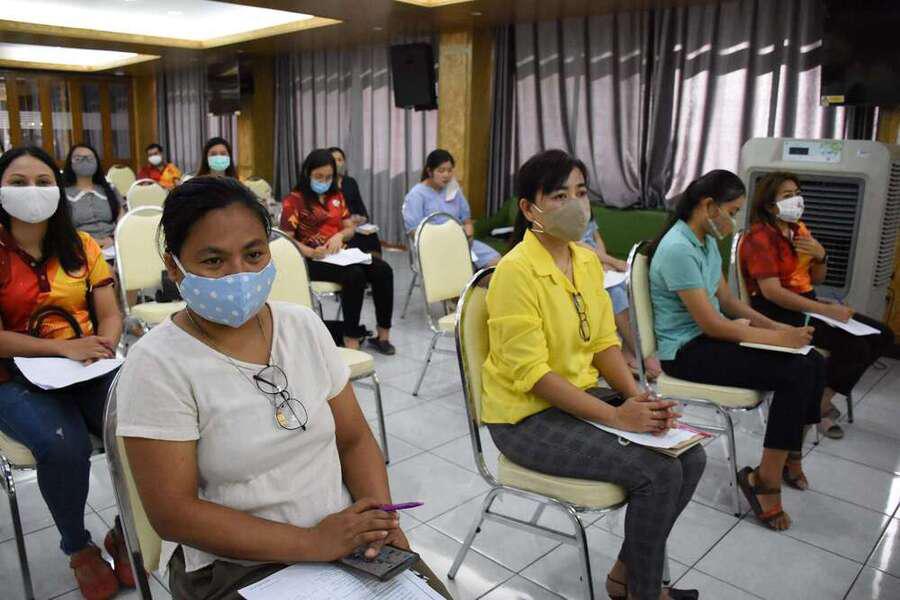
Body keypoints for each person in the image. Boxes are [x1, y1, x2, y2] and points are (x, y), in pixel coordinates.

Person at [115, 176, 449, 599]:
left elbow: (354, 439)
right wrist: (313, 543)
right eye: (214, 261)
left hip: (342, 535)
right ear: (173, 266)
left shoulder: (302, 325)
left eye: (254, 254)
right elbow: (174, 514)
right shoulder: (158, 364)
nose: (240, 274)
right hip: (237, 564)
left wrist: (379, 519)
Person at [482, 149, 703, 600]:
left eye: (581, 192)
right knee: (657, 474)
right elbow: (534, 375)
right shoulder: (515, 272)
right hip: (524, 417)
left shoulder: (584, 260)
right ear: (529, 208)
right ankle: (644, 593)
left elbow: (603, 342)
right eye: (559, 195)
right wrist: (617, 416)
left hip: (579, 397)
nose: (576, 205)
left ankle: (625, 576)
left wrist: (635, 397)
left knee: (690, 457)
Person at [649, 169, 826, 532]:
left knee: (813, 361)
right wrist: (778, 340)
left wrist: (777, 328)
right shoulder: (678, 248)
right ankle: (764, 480)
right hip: (685, 352)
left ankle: (789, 453)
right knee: (795, 371)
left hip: (708, 340)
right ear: (708, 206)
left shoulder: (705, 242)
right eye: (731, 212)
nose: (733, 221)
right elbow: (712, 325)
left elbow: (728, 302)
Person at [0, 146, 129, 600]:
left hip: (86, 364)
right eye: (18, 183)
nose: (32, 191)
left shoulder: (82, 246)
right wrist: (62, 347)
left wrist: (105, 345)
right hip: (12, 376)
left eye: (42, 182)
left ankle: (125, 530)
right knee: (63, 445)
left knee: (141, 423)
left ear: (57, 189)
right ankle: (78, 547)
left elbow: (109, 315)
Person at [740, 171, 894, 439]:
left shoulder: (797, 230)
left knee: (883, 335)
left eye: (798, 194)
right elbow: (772, 292)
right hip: (777, 312)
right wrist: (825, 310)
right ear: (770, 205)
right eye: (788, 196)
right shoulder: (760, 238)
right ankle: (817, 409)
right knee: (855, 347)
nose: (797, 200)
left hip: (806, 303)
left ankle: (820, 400)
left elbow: (816, 279)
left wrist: (821, 255)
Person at [280, 149, 395, 354]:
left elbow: (349, 228)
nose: (324, 181)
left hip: (339, 255)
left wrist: (340, 236)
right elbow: (286, 238)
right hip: (312, 260)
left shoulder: (337, 196)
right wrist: (311, 252)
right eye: (319, 176)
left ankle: (383, 335)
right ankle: (351, 338)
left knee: (383, 270)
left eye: (328, 177)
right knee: (355, 275)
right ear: (307, 173)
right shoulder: (294, 201)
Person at [580, 216, 662, 379]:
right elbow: (576, 244)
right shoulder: (562, 217)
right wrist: (614, 262)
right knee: (614, 291)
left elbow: (596, 238)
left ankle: (628, 353)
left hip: (597, 260)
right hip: (582, 263)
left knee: (629, 284)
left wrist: (605, 262)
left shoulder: (584, 208)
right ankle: (640, 353)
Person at [403, 149, 501, 269]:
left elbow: (466, 220)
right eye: (441, 171)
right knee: (461, 268)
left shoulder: (453, 189)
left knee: (497, 263)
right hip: (432, 248)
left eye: (449, 170)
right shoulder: (416, 195)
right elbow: (414, 232)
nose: (446, 175)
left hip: (460, 242)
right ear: (429, 171)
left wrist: (469, 235)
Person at [62, 144, 122, 249]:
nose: (85, 161)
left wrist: (113, 239)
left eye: (89, 158)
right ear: (70, 163)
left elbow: (122, 219)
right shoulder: (62, 194)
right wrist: (92, 243)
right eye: (78, 158)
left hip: (113, 244)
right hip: (78, 247)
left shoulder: (109, 189)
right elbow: (61, 228)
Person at [329, 147, 382, 257]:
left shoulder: (350, 182)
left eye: (340, 160)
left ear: (344, 163)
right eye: (333, 160)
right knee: (353, 241)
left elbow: (361, 209)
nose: (337, 163)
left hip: (356, 226)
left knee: (372, 237)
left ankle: (374, 264)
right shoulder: (326, 184)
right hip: (339, 228)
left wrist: (361, 218)